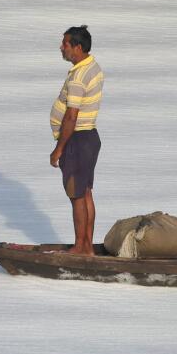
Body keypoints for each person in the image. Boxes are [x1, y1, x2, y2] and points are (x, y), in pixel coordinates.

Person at [49, 25, 103, 255]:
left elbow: (72, 115)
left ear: (78, 48)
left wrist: (59, 148)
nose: (61, 48)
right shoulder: (91, 66)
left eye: (65, 44)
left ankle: (81, 247)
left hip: (77, 141)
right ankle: (86, 246)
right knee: (85, 192)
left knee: (77, 195)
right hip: (88, 138)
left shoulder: (79, 76)